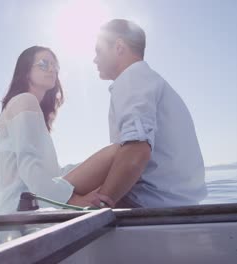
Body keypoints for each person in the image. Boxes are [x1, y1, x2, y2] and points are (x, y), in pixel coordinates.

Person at [89, 19, 207, 208]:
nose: (94, 59)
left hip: (150, 205)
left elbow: (137, 150)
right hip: (181, 203)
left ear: (119, 47)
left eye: (98, 51)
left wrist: (102, 203)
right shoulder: (149, 80)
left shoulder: (131, 79)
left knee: (64, 193)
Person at [0, 46, 117, 214]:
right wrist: (72, 201)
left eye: (55, 66)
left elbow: (51, 172)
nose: (52, 69)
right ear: (25, 71)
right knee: (117, 152)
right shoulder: (24, 101)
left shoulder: (30, 107)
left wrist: (90, 165)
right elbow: (28, 163)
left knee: (114, 166)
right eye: (44, 64)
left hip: (26, 204)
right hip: (25, 207)